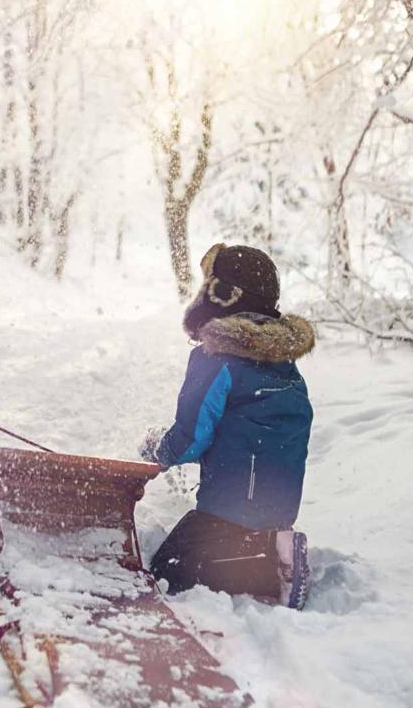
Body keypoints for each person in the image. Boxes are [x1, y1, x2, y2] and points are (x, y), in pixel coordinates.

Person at [141, 244, 317, 609]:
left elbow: (191, 438)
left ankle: (268, 555)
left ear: (223, 295)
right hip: (277, 512)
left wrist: (158, 449)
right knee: (229, 559)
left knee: (167, 570)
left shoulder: (216, 358)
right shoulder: (283, 364)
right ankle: (275, 548)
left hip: (227, 516)